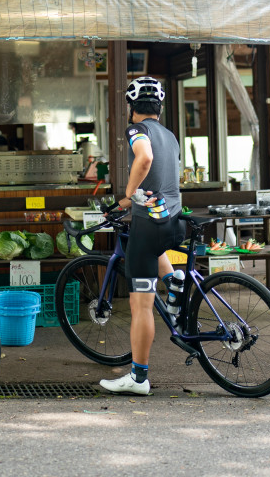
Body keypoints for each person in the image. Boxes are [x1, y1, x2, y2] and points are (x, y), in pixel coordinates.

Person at [99, 76, 185, 396]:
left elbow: (145, 158)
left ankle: (138, 378)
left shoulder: (138, 130)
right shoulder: (171, 136)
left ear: (131, 107)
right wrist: (125, 203)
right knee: (153, 252)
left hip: (148, 225)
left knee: (142, 307)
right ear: (159, 108)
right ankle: (174, 281)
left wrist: (129, 191)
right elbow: (162, 179)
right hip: (172, 222)